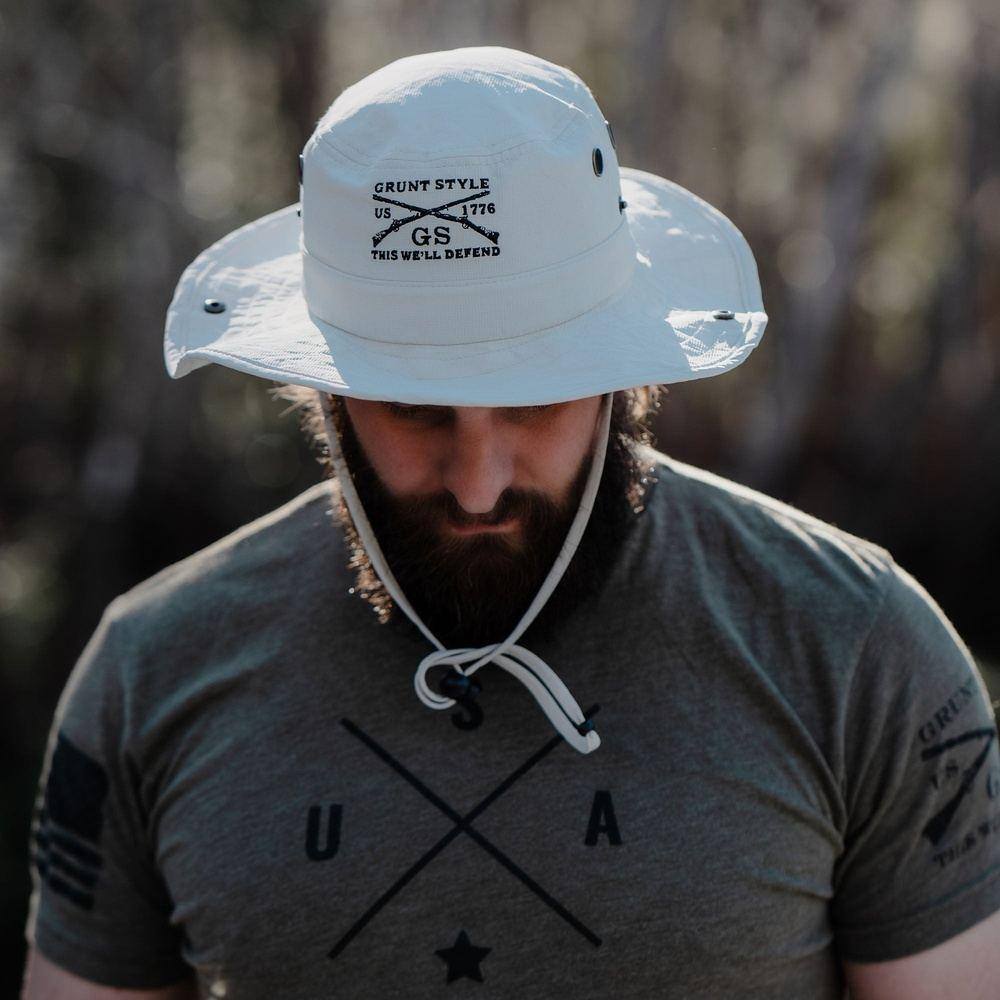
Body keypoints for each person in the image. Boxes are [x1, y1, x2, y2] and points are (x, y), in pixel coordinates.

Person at [21, 46, 1000, 1000]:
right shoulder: (152, 670)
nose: (478, 486)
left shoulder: (856, 646)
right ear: (325, 395)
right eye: (413, 411)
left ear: (621, 378)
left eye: (534, 404)